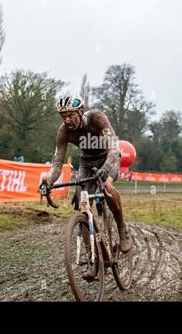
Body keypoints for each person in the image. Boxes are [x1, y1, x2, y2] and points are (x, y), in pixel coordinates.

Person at [40, 93, 131, 278]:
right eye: (63, 116)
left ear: (80, 111)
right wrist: (48, 181)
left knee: (107, 187)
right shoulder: (63, 131)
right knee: (83, 208)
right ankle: (92, 260)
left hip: (108, 158)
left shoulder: (97, 118)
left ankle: (122, 228)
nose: (67, 120)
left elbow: (114, 148)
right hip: (87, 163)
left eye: (70, 115)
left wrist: (106, 168)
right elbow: (57, 163)